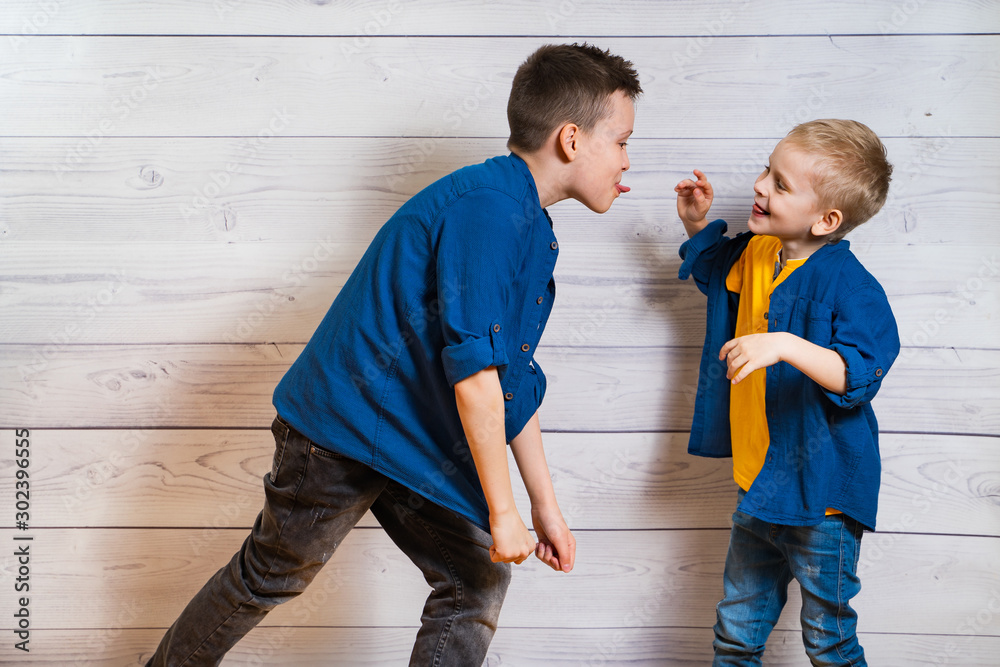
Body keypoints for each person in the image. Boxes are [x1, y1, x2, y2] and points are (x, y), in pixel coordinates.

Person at [147, 43, 641, 666]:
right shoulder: (488, 209)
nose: (628, 162)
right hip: (340, 430)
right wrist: (503, 511)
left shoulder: (529, 225)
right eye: (622, 141)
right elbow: (476, 382)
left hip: (405, 435)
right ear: (572, 139)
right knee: (272, 573)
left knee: (476, 580)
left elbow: (511, 380)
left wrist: (546, 510)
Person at [673, 119, 899, 666]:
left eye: (779, 183)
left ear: (826, 220)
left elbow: (860, 372)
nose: (759, 186)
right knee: (735, 633)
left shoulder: (852, 287)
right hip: (760, 486)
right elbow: (713, 273)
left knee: (829, 639)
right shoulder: (756, 252)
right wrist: (695, 224)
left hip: (822, 498)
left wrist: (785, 345)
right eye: (765, 171)